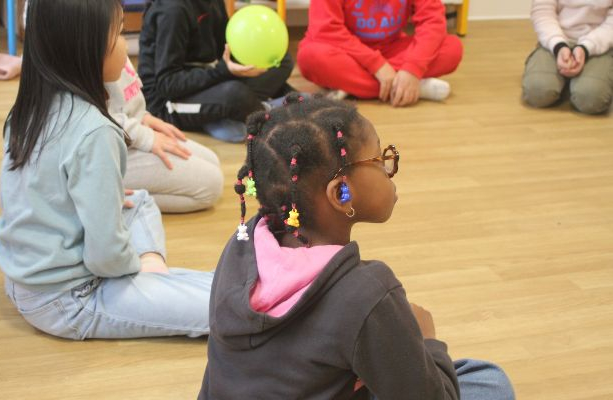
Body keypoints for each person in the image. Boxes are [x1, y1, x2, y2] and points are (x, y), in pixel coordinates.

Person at [199, 94, 515, 399]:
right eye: (379, 159)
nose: (388, 169)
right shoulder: (366, 294)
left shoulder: (243, 243)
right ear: (341, 194)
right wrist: (428, 341)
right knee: (489, 381)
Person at [0, 0, 213, 340]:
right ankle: (153, 279)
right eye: (120, 33)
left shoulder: (28, 108)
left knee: (138, 201)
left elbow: (36, 197)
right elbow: (106, 258)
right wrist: (135, 267)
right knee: (220, 305)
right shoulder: (96, 131)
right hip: (69, 299)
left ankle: (154, 278)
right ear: (88, 48)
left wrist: (105, 204)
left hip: (24, 278)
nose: (125, 46)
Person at [138, 0, 294, 142]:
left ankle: (231, 113)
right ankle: (267, 113)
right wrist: (223, 71)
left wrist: (249, 62)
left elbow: (225, 51)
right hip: (166, 102)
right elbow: (167, 84)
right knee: (235, 94)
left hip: (206, 80)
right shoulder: (173, 10)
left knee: (281, 60)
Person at [106, 58, 224, 213]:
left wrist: (143, 117)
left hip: (130, 132)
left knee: (212, 160)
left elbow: (122, 100)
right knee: (211, 187)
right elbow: (100, 119)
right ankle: (103, 194)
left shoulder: (111, 50)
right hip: (109, 151)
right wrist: (145, 137)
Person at [297, 0, 463, 107]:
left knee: (452, 48)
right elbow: (326, 30)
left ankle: (356, 86)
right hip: (348, 53)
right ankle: (408, 88)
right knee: (310, 57)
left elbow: (432, 21)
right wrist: (377, 65)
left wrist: (412, 69)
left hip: (392, 49)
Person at [522, 0, 613, 115]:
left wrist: (586, 48)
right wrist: (558, 46)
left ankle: (575, 83)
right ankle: (570, 82)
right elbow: (542, 11)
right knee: (537, 92)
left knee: (591, 100)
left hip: (600, 43)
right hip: (554, 39)